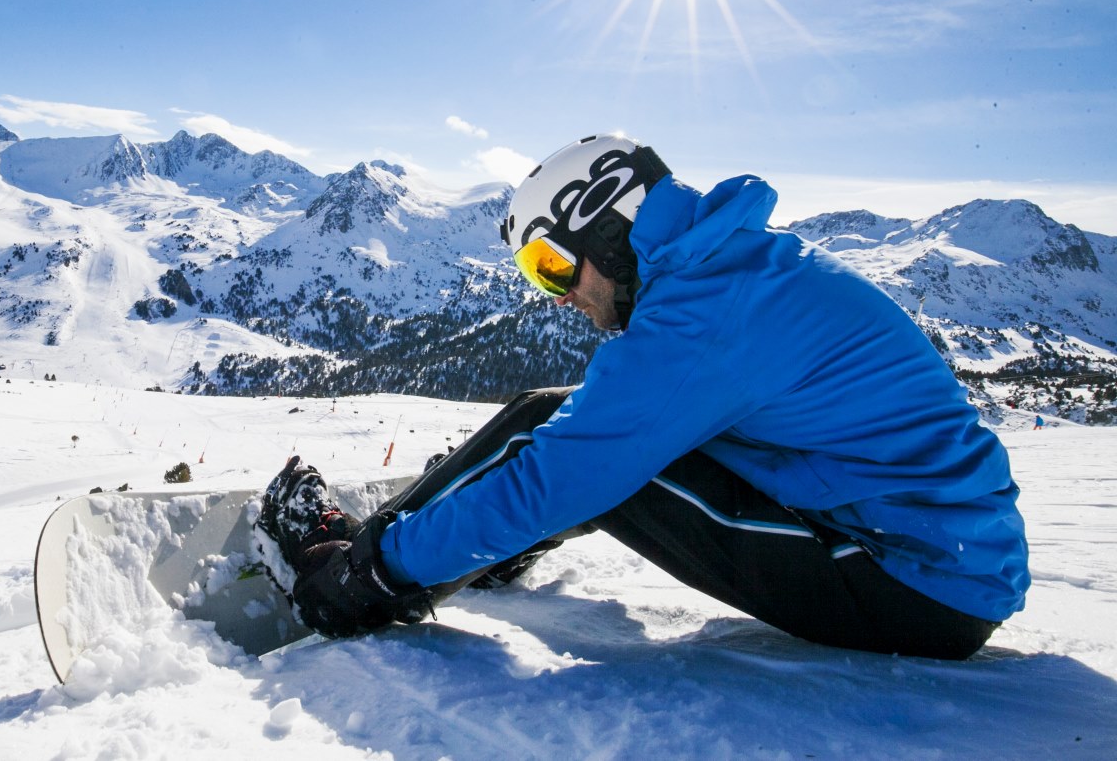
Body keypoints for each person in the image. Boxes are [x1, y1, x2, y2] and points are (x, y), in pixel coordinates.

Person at [262, 135, 1029, 660]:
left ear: (608, 229)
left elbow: (558, 472)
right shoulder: (727, 268)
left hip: (914, 581)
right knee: (570, 424)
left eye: (550, 265)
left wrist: (382, 569)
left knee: (554, 441)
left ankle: (356, 577)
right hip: (923, 552)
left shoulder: (706, 314)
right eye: (535, 275)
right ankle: (476, 546)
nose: (553, 296)